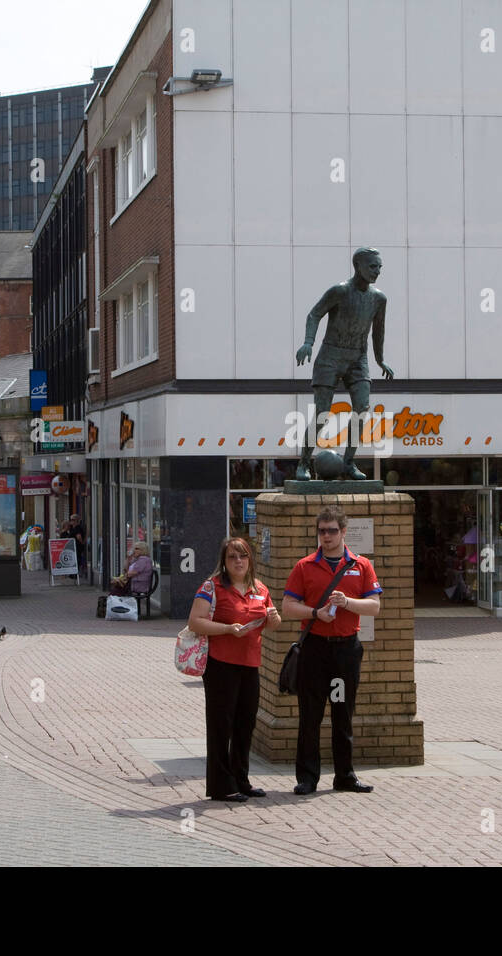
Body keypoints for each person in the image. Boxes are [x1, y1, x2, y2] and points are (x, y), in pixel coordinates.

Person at [281, 506, 383, 795]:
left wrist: (348, 602)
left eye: (332, 530)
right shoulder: (305, 566)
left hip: (346, 650)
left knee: (343, 712)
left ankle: (345, 776)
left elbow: (374, 606)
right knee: (310, 714)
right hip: (314, 648)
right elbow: (288, 606)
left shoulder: (361, 565)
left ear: (343, 532)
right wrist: (315, 613)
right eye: (322, 531)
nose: (326, 536)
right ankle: (307, 778)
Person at [186, 537, 282, 802]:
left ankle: (241, 780)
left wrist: (274, 619)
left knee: (245, 724)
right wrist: (228, 629)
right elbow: (195, 622)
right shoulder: (212, 586)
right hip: (220, 665)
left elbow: (271, 621)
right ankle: (220, 786)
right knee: (221, 726)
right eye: (232, 557)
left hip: (250, 665)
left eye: (243, 556)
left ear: (250, 560)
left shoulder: (259, 588)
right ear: (224, 562)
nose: (238, 562)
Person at [293, 247, 396, 480]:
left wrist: (380, 360)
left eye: (379, 267)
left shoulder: (378, 298)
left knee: (361, 409)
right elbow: (314, 314)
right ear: (357, 265)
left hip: (358, 358)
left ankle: (349, 462)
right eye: (372, 266)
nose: (377, 271)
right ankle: (303, 464)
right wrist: (308, 342)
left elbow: (378, 331)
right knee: (322, 413)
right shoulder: (339, 291)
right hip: (330, 356)